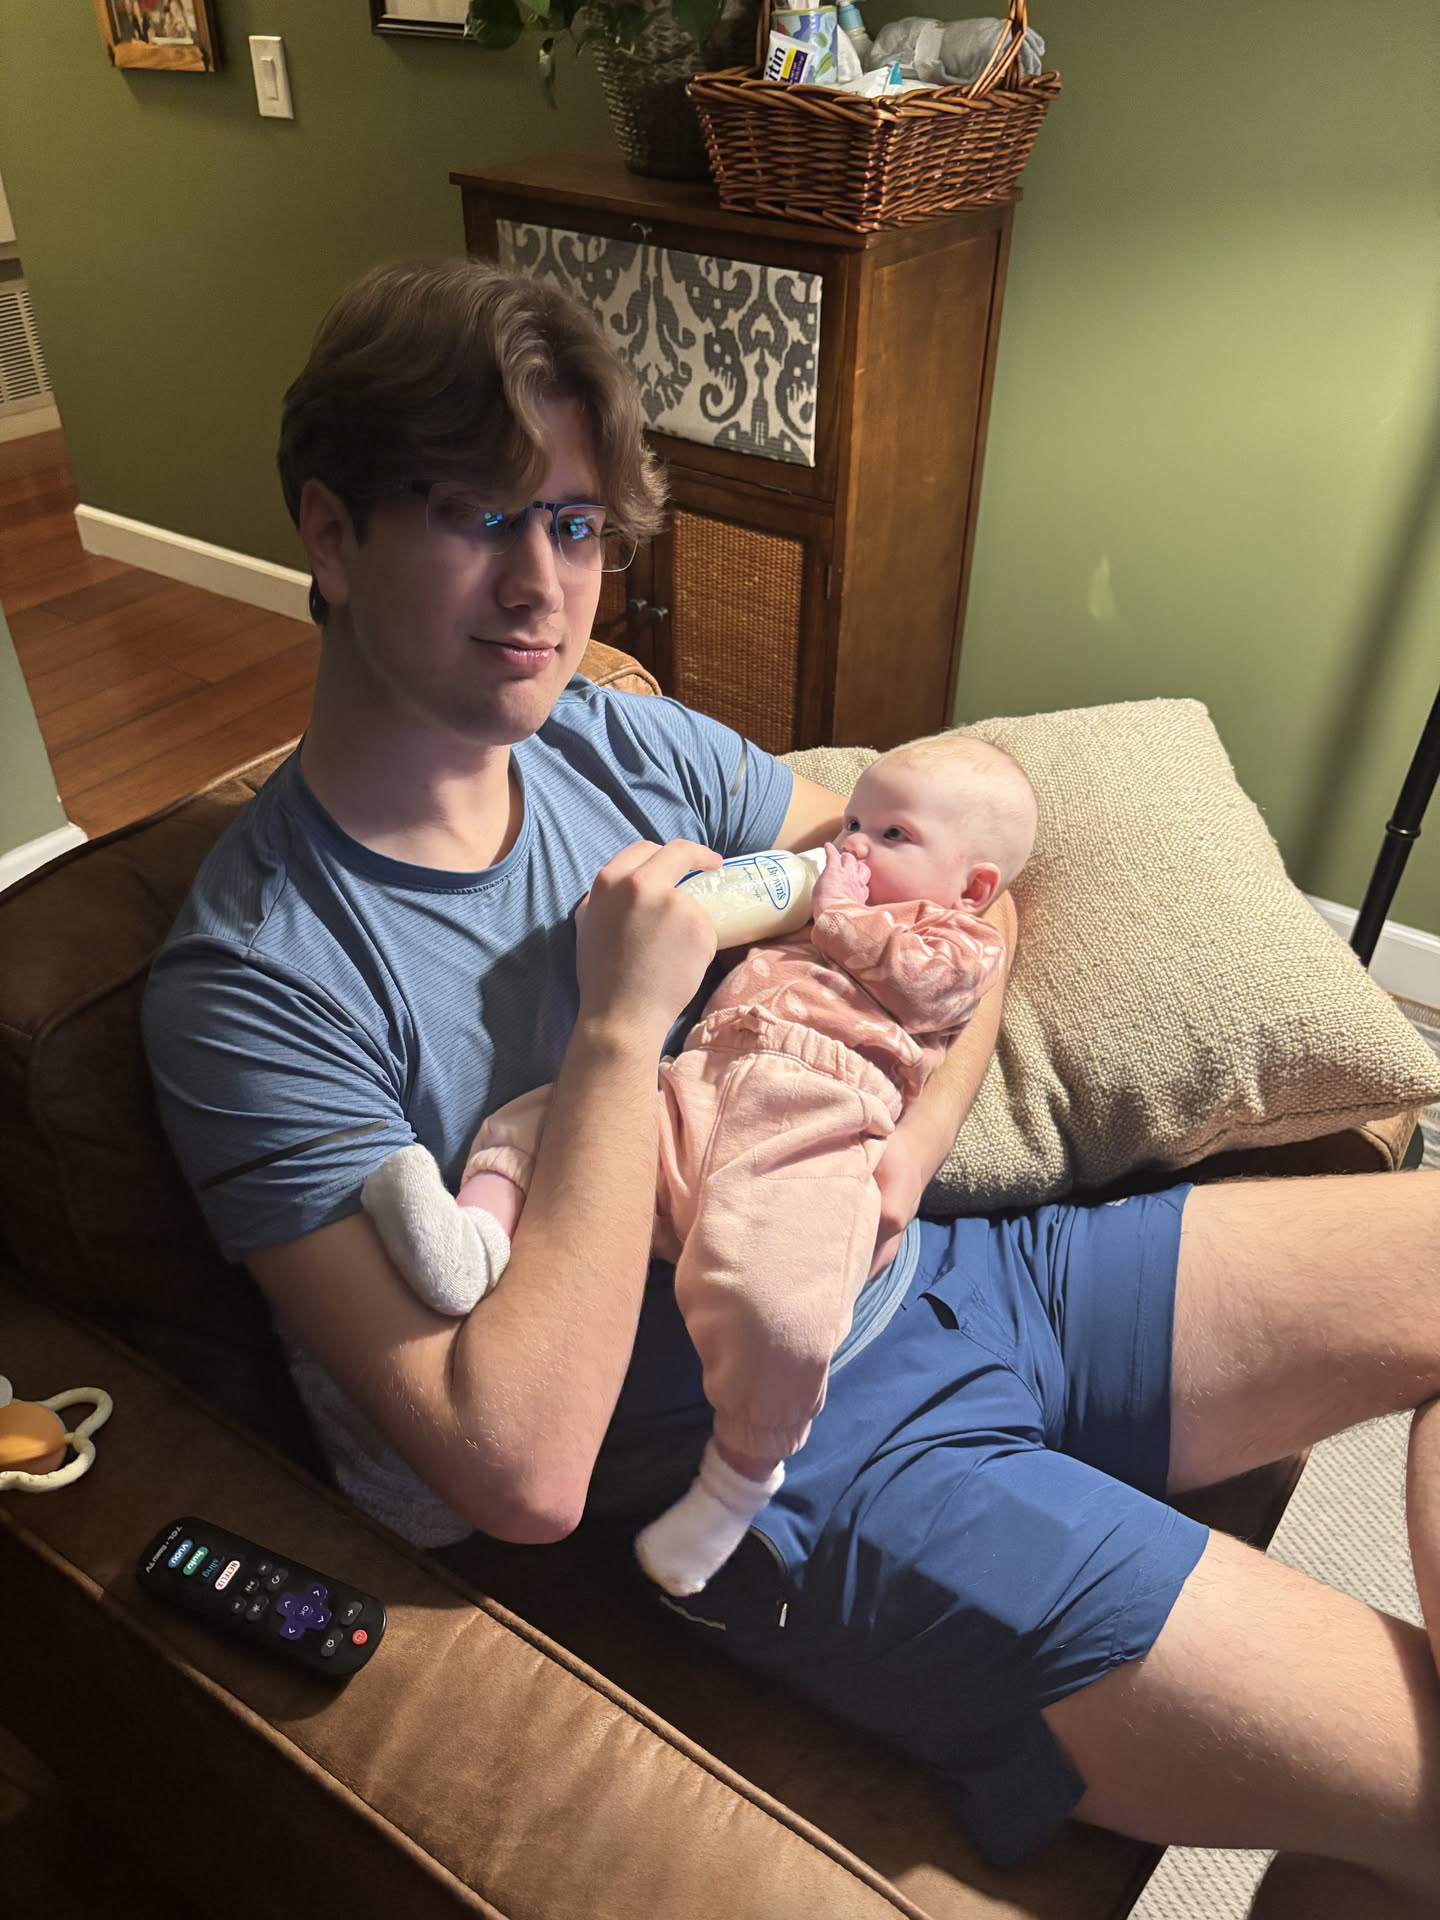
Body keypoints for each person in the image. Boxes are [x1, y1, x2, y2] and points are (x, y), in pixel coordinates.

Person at [142, 256, 1440, 1915]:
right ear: (330, 535)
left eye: (577, 526)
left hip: (966, 1276)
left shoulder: (618, 742)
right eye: (476, 515)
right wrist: (617, 1035)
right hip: (783, 1463)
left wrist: (906, 1159)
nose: (543, 586)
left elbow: (962, 903)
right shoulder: (255, 986)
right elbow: (515, 1469)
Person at [358, 733, 1037, 1597]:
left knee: (781, 1304)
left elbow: (926, 986)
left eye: (891, 836)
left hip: (812, 1118)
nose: (853, 844)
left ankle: (740, 1477)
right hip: (700, 1078)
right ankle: (475, 1236)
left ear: (973, 889)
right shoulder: (836, 884)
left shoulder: (950, 937)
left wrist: (840, 917)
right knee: (544, 1121)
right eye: (853, 822)